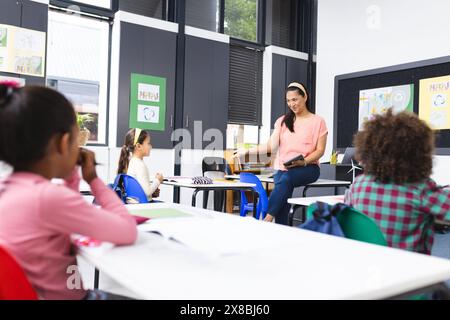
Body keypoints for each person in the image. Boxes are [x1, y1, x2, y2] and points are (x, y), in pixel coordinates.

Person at [0, 83, 137, 300]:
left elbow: (66, 216)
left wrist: (72, 177)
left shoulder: (9, 190)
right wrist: (93, 181)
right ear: (63, 143)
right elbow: (128, 231)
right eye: (76, 139)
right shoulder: (47, 197)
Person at [344, 109, 450, 254]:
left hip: (366, 267)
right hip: (411, 272)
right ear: (419, 154)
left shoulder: (358, 184)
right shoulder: (420, 190)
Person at [235, 82, 328, 225]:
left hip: (308, 167)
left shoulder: (318, 121)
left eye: (295, 99)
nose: (292, 104)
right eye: (288, 101)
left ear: (305, 97)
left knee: (286, 179)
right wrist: (246, 151)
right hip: (283, 168)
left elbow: (320, 150)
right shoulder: (282, 121)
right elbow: (270, 147)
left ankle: (266, 218)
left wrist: (304, 161)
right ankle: (281, 234)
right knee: (282, 204)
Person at [117, 128, 163, 202]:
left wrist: (152, 193)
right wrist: (158, 180)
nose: (151, 147)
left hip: (135, 203)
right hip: (143, 204)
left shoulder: (132, 162)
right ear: (138, 146)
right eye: (148, 143)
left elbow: (139, 190)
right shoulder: (140, 165)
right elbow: (147, 192)